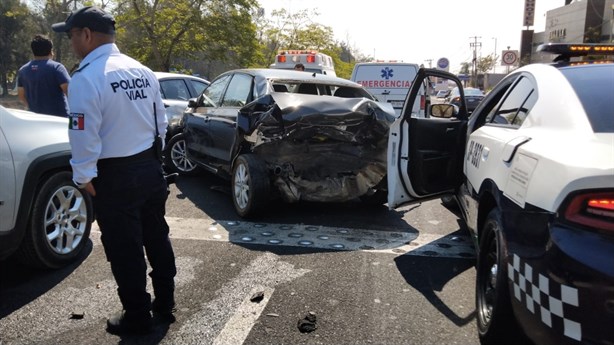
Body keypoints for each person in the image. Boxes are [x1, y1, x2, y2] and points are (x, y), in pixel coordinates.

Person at [52, 6, 176, 335]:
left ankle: (137, 316)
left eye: (72, 35)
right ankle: (165, 303)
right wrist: (155, 163)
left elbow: (83, 135)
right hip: (150, 168)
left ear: (87, 35)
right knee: (157, 236)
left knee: (125, 248)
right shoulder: (142, 71)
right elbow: (160, 124)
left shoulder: (87, 77)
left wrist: (83, 177)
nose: (72, 42)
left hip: (115, 176)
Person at [17, 35, 70, 117]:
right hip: (60, 120)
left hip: (36, 120)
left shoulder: (23, 70)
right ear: (51, 51)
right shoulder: (57, 68)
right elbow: (70, 92)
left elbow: (21, 96)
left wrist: (32, 108)